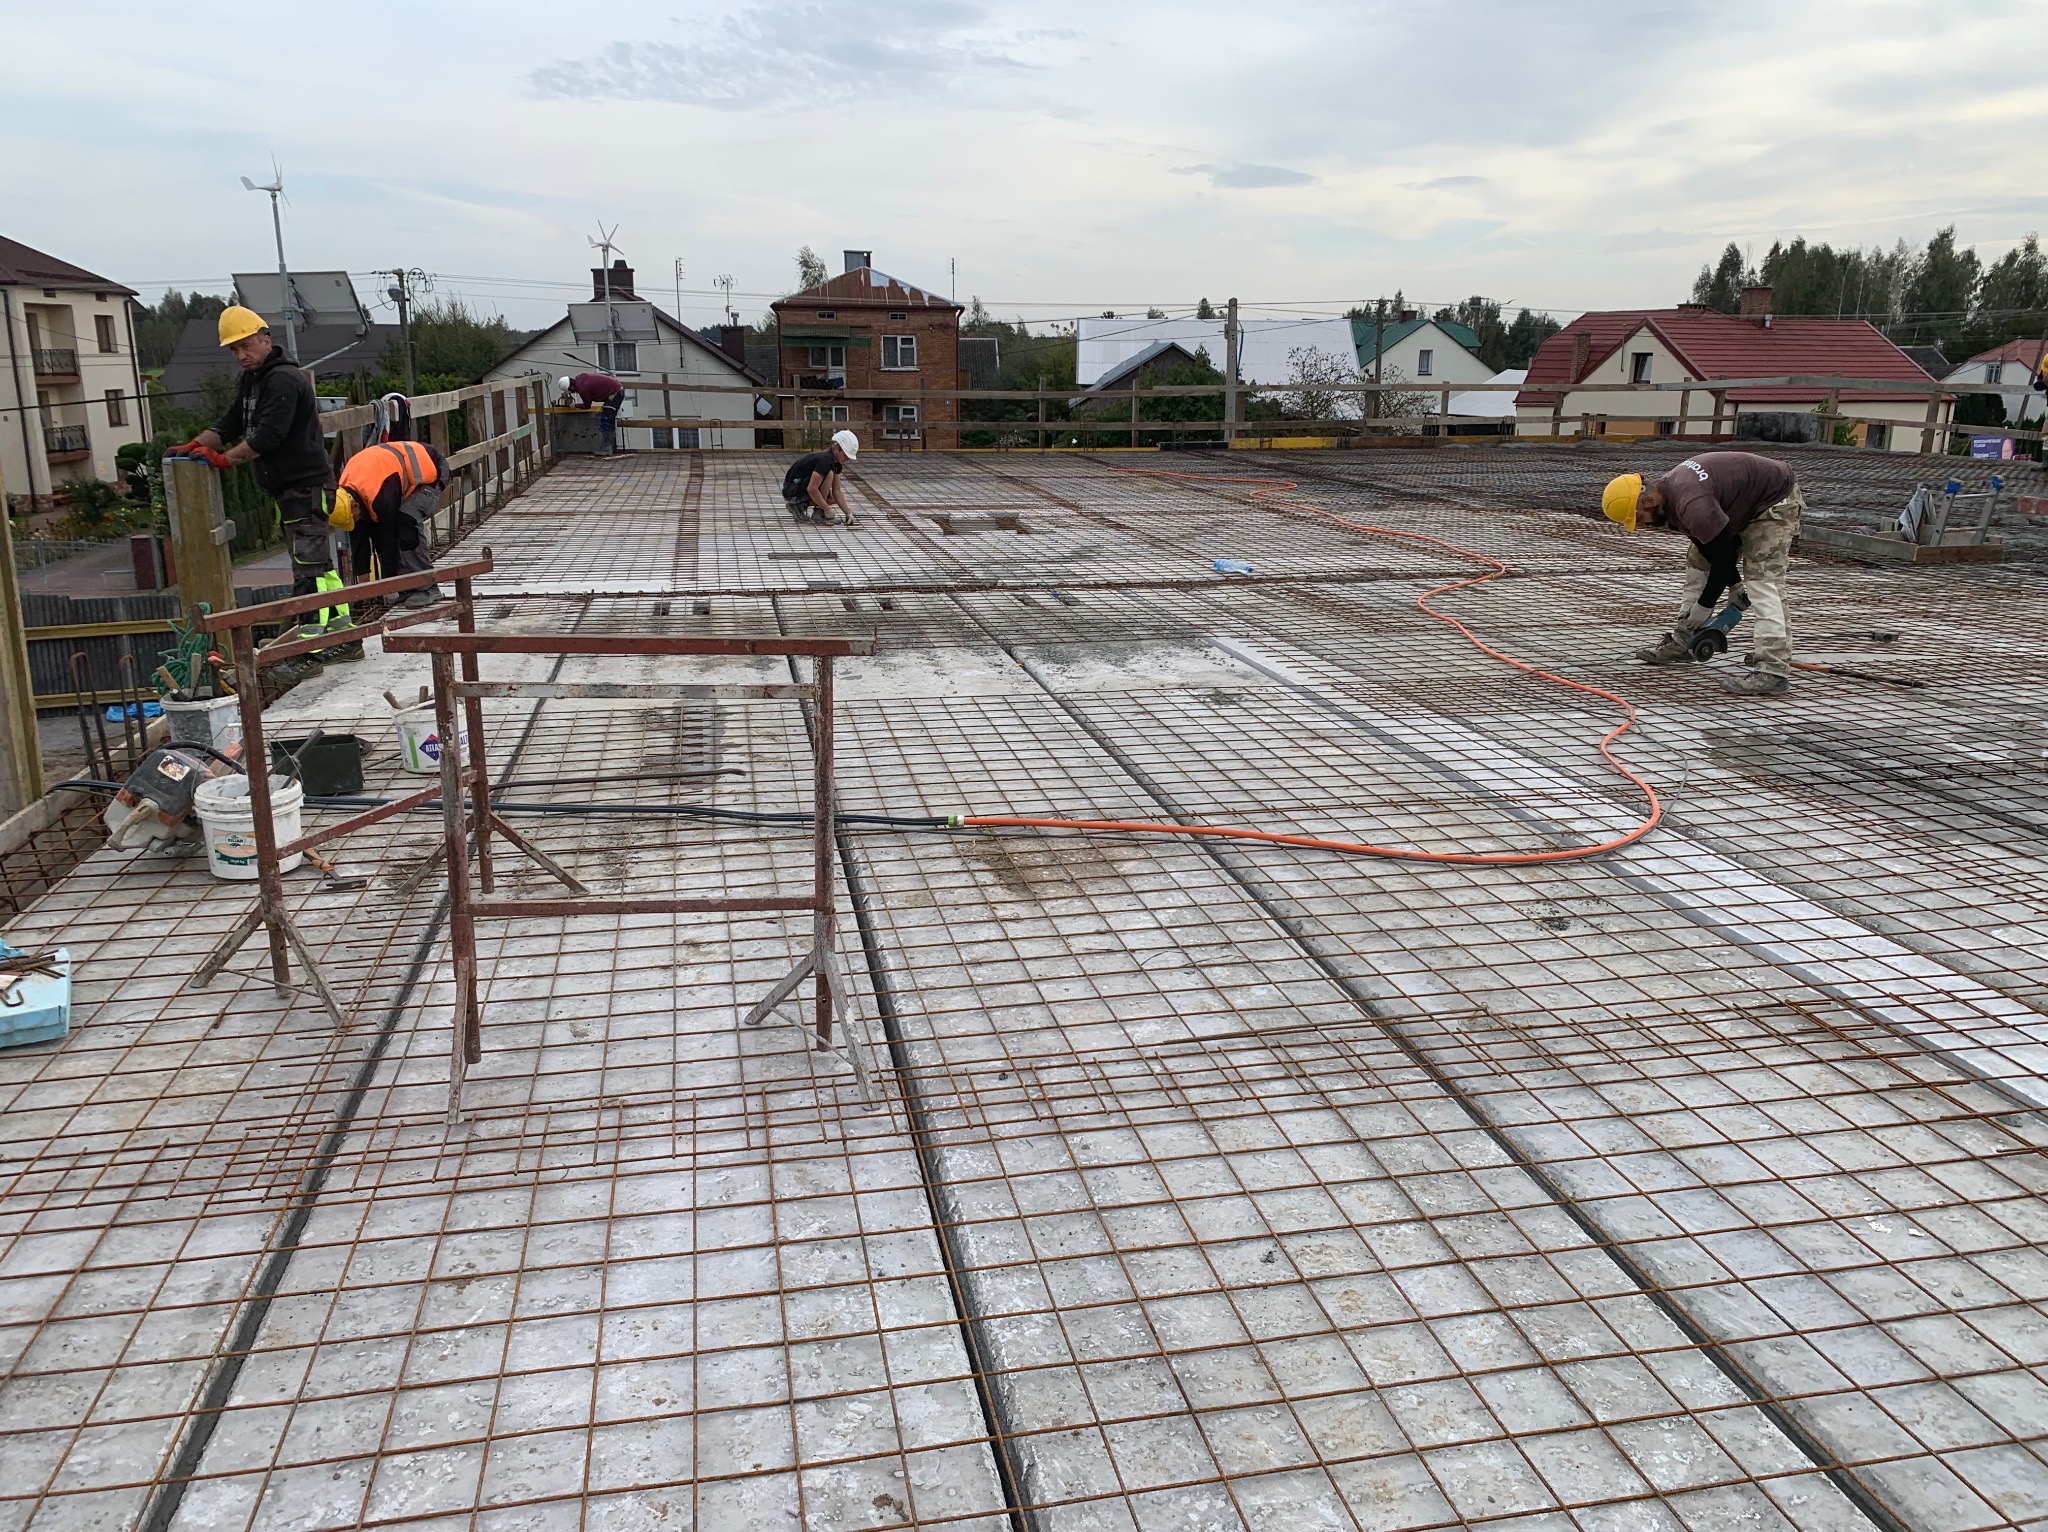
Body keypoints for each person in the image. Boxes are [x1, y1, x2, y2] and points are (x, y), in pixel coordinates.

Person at [1602, 450, 1804, 695]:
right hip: (1740, 503)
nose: (1644, 526)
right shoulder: (1669, 496)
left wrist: (1705, 606)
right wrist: (1735, 587)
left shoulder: (1691, 502)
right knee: (1697, 559)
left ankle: (1773, 670)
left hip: (1773, 500)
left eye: (1640, 519)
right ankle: (1685, 641)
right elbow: (1708, 546)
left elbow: (1724, 558)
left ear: (1648, 501)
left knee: (1763, 581)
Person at [172, 307, 336, 601]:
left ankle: (315, 625)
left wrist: (224, 459)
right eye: (234, 350)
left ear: (265, 339)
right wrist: (196, 444)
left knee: (309, 568)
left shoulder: (283, 380)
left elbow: (268, 436)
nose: (240, 356)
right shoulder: (253, 379)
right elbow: (233, 421)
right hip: (291, 489)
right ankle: (332, 621)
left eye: (246, 346)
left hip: (306, 487)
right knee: (313, 564)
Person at [330, 439, 451, 606]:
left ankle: (428, 587)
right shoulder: (346, 496)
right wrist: (363, 592)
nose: (355, 522)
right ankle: (406, 587)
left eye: (353, 519)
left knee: (406, 520)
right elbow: (359, 543)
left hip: (432, 469)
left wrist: (389, 586)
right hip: (394, 473)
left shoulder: (379, 494)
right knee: (372, 526)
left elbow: (389, 537)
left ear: (355, 506)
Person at [781, 430, 860, 525]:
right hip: (792, 491)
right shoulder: (825, 461)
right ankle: (818, 513)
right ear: (837, 448)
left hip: (799, 489)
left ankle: (799, 506)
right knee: (829, 474)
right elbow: (812, 489)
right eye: (846, 455)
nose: (847, 459)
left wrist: (848, 513)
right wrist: (826, 508)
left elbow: (837, 491)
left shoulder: (836, 464)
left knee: (834, 498)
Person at [559, 372, 625, 447]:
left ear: (571, 387)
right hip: (616, 390)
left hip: (616, 393)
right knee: (607, 417)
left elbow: (587, 406)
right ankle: (608, 444)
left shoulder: (583, 388)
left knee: (606, 419)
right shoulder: (580, 380)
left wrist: (575, 405)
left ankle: (606, 446)